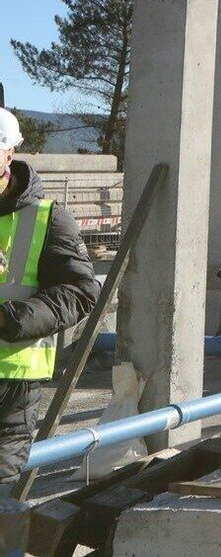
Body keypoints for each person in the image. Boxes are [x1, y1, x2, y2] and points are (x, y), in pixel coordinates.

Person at [0, 108, 101, 480]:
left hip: (10, 388)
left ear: (10, 153)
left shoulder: (47, 217)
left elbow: (81, 290)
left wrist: (10, 319)